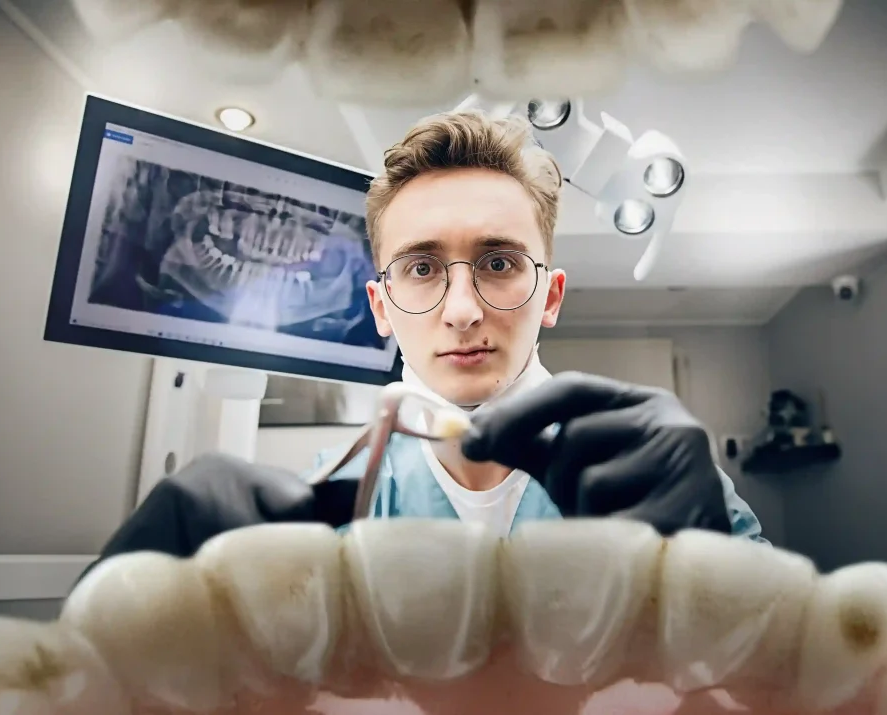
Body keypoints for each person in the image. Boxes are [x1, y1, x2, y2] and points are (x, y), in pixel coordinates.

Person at [82, 110, 765, 579]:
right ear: (380, 307)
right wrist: (120, 627)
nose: (463, 310)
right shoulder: (321, 509)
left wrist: (725, 585)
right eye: (420, 268)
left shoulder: (665, 486)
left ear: (551, 294)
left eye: (498, 263)